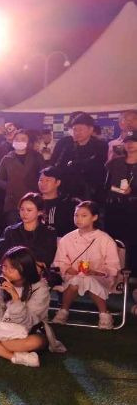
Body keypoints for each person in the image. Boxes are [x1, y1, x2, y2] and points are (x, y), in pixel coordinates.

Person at [52, 201, 121, 329]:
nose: (78, 219)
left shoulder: (104, 239)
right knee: (77, 279)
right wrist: (69, 269)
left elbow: (113, 265)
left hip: (100, 277)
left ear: (94, 217)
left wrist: (95, 272)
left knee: (88, 279)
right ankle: (64, 311)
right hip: (73, 276)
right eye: (76, 215)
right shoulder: (67, 238)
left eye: (84, 216)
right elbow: (60, 261)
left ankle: (103, 315)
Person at [52, 112, 107, 202]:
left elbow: (97, 166)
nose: (77, 132)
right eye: (74, 129)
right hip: (68, 190)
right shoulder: (66, 145)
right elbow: (58, 166)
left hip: (91, 192)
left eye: (80, 129)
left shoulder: (100, 146)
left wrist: (73, 164)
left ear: (90, 129)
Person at [0, 193, 58, 270]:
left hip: (37, 272)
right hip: (12, 270)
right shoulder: (10, 231)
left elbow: (47, 258)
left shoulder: (48, 233)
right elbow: (1, 255)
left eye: (29, 210)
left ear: (40, 212)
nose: (24, 213)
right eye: (22, 209)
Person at [0, 129, 44, 226]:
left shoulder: (36, 157)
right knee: (14, 230)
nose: (19, 141)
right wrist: (10, 186)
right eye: (17, 139)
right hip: (13, 202)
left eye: (23, 139)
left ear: (28, 141)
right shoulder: (6, 159)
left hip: (33, 200)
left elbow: (43, 175)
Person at [104, 133, 137, 272]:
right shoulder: (115, 163)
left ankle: (133, 274)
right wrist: (120, 190)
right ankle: (114, 273)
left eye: (134, 141)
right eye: (127, 141)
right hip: (116, 207)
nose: (130, 144)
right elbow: (105, 186)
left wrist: (132, 192)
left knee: (134, 242)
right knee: (114, 240)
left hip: (134, 208)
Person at [37, 166, 76, 237]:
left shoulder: (67, 204)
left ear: (57, 183)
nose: (43, 183)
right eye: (41, 180)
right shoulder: (33, 201)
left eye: (48, 180)